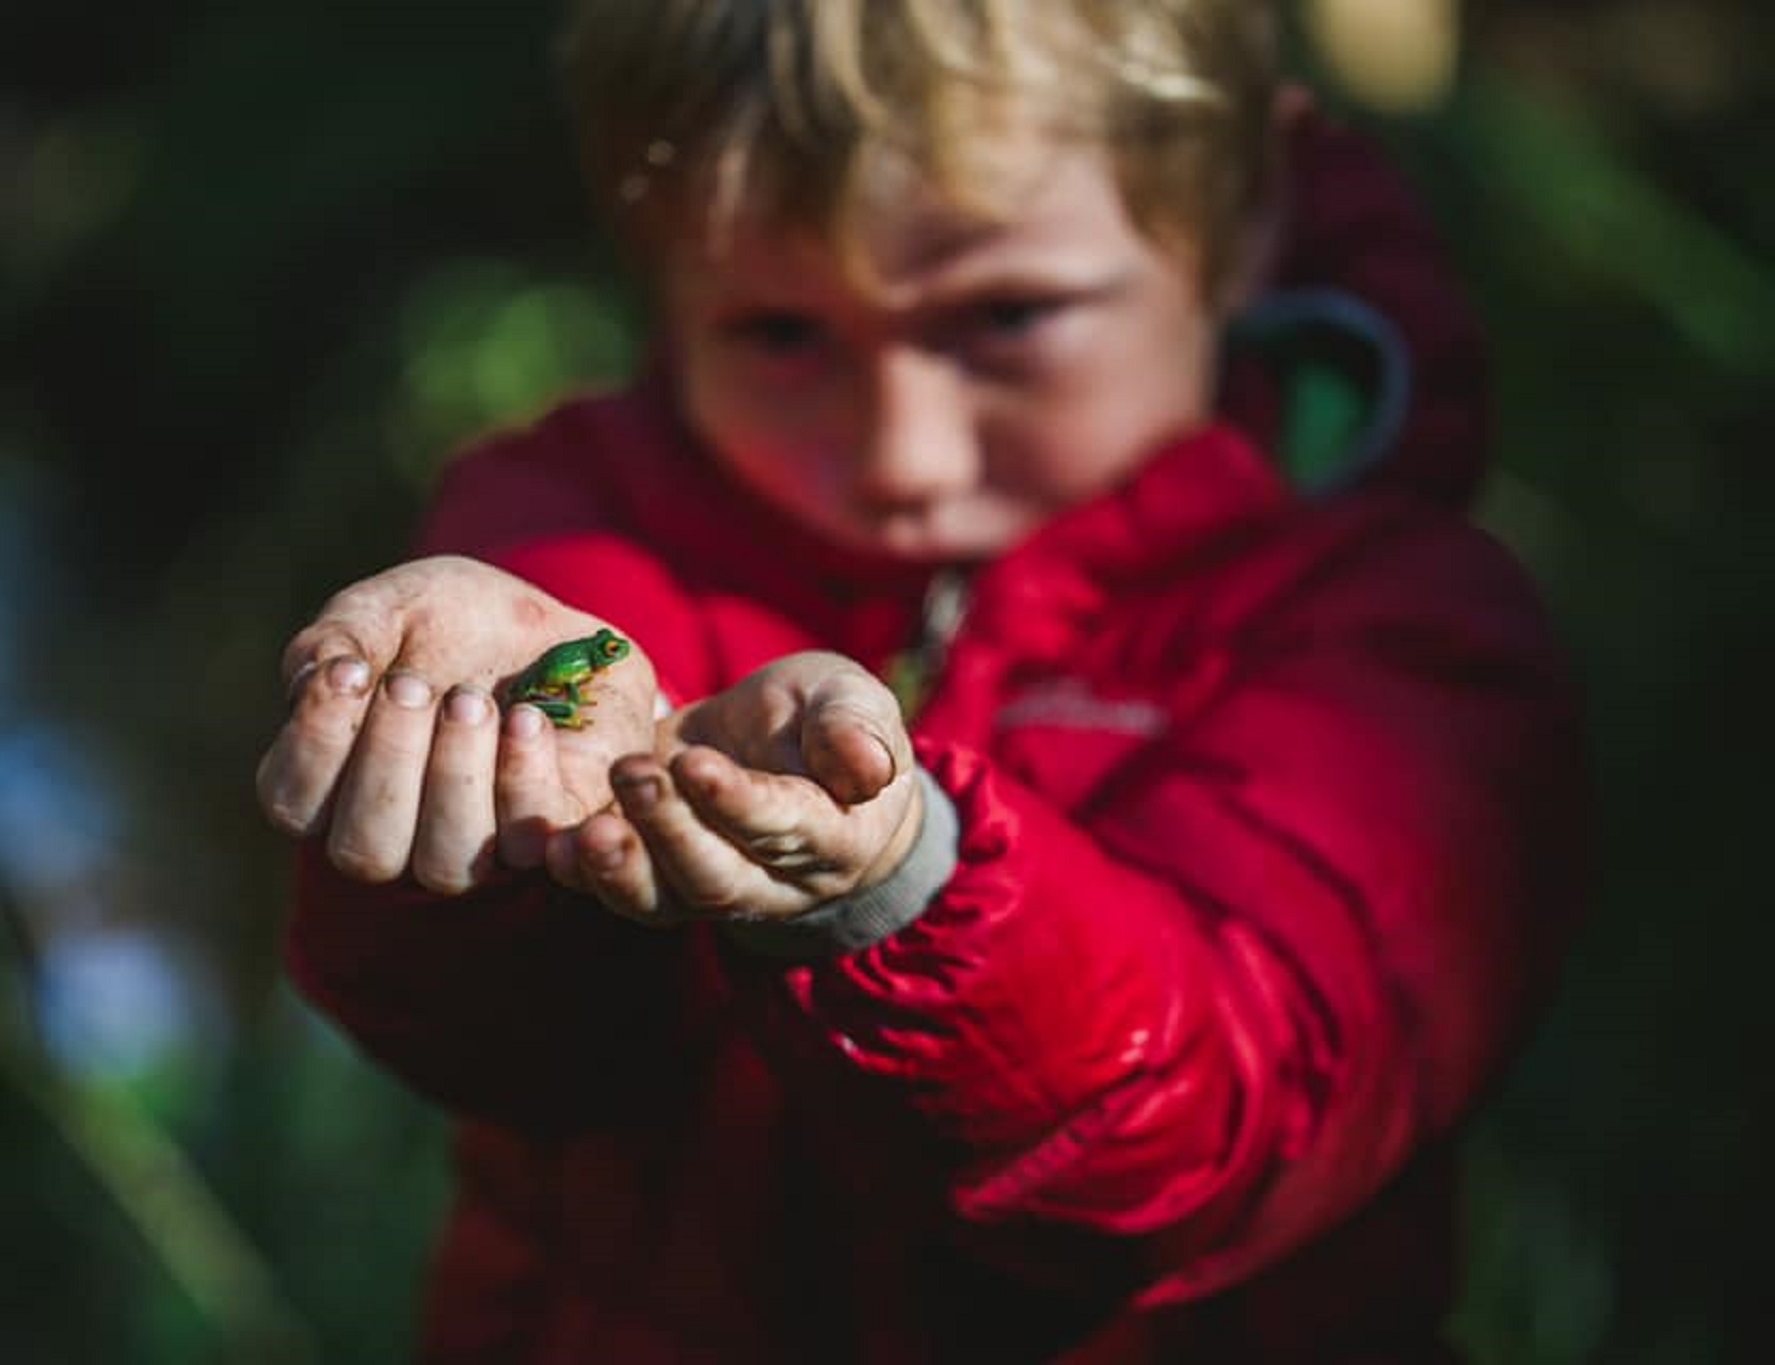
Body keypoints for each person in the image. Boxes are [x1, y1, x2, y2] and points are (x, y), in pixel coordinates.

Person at [255, 1, 1587, 1359]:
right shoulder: (576, 536)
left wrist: (901, 889)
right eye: (779, 333)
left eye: (1007, 314)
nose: (904, 455)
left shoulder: (1396, 629)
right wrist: (465, 844)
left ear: (1237, 230)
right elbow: (520, 1050)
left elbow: (1230, 1128)